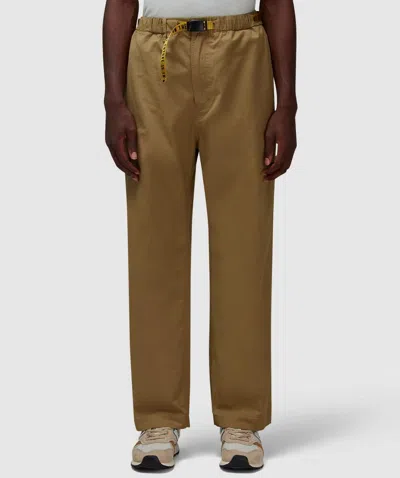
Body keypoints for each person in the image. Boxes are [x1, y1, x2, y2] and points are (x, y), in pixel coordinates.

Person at [103, 0, 297, 471]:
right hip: (154, 59)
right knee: (153, 246)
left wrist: (287, 104)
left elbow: (277, 3)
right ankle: (158, 418)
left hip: (242, 55)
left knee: (243, 244)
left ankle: (241, 417)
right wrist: (113, 101)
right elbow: (120, 3)